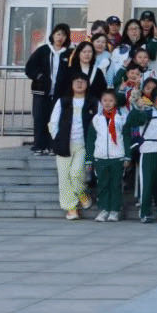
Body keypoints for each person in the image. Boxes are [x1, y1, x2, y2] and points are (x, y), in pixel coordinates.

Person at [49, 73, 96, 220]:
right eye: (76, 80)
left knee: (76, 173)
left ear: (87, 84)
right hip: (64, 144)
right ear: (71, 84)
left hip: (83, 144)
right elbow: (53, 123)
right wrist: (58, 139)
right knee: (64, 178)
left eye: (83, 81)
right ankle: (71, 208)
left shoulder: (93, 102)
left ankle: (82, 193)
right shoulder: (63, 101)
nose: (79, 83)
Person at [125, 88, 157, 223]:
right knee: (147, 183)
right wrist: (137, 107)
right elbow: (132, 121)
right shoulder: (148, 112)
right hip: (148, 152)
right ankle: (145, 212)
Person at [26, 23, 71, 156]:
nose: (60, 37)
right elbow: (29, 67)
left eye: (63, 35)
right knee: (40, 118)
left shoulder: (69, 53)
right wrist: (39, 76)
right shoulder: (43, 50)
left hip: (59, 93)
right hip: (41, 91)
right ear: (53, 35)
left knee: (56, 119)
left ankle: (53, 146)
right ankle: (39, 146)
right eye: (58, 34)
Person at [89, 91, 128, 222]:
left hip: (117, 156)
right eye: (105, 100)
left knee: (116, 185)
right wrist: (89, 159)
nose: (107, 103)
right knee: (103, 184)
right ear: (101, 102)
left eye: (110, 100)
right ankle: (104, 209)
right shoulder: (96, 119)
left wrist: (127, 156)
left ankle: (115, 210)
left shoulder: (121, 118)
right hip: (100, 157)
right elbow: (91, 139)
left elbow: (126, 137)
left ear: (115, 102)